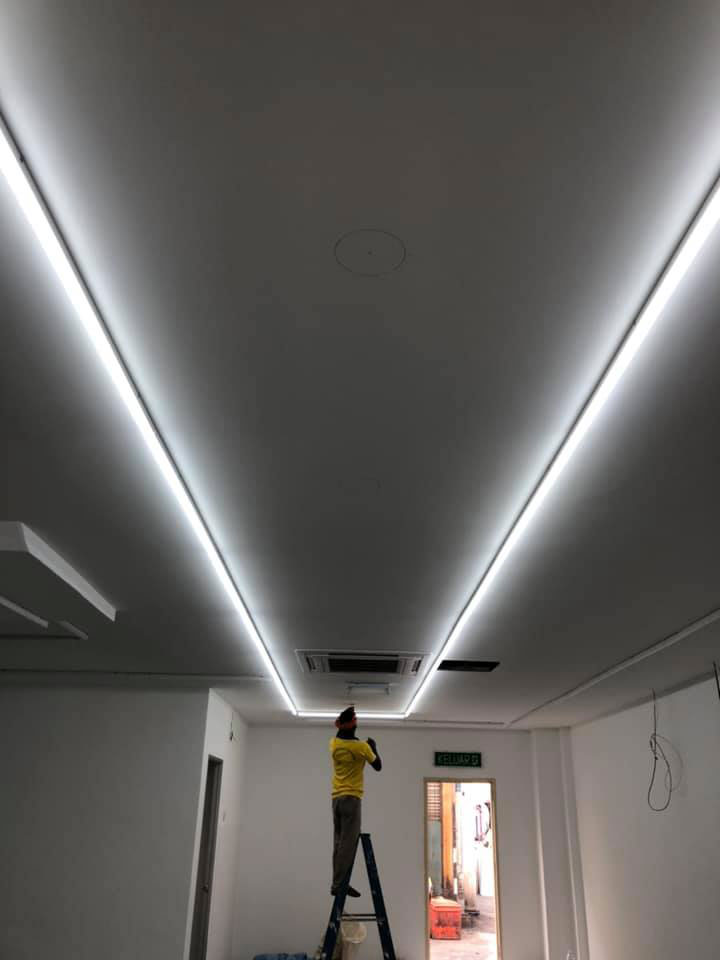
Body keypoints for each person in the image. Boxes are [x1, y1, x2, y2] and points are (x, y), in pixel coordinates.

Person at [329, 706, 382, 897]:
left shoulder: (333, 743)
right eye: (355, 718)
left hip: (336, 799)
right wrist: (373, 747)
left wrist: (342, 723)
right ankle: (339, 884)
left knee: (338, 842)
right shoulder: (361, 748)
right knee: (348, 843)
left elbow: (343, 734)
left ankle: (337, 881)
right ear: (352, 722)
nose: (357, 720)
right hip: (351, 799)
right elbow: (378, 766)